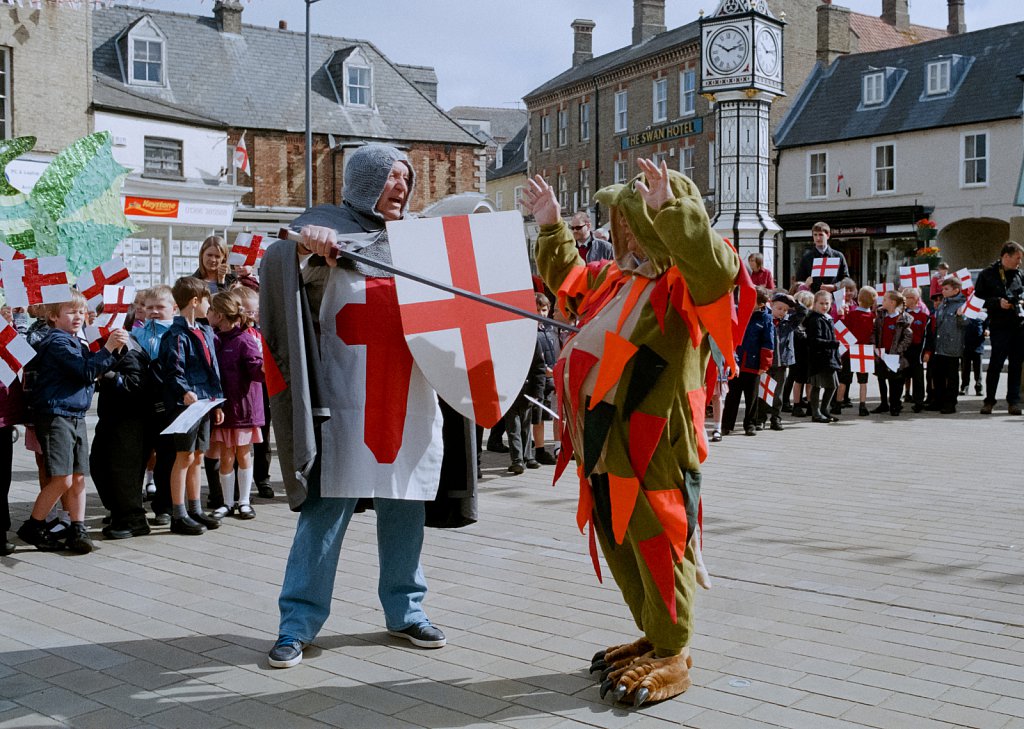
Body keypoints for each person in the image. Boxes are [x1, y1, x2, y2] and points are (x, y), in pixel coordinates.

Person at [525, 158, 742, 705]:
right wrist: (551, 226)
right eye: (621, 221)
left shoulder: (685, 283)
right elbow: (569, 282)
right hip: (603, 442)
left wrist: (673, 210)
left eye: (632, 219)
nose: (621, 231)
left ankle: (673, 650)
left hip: (657, 445)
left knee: (660, 540)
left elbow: (716, 268)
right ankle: (654, 631)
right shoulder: (615, 279)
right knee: (620, 539)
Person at [261, 143, 459, 669]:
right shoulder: (323, 230)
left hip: (408, 397)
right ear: (365, 182)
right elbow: (283, 277)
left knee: (405, 504)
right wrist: (307, 252)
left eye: (405, 177)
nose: (401, 186)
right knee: (325, 511)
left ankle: (406, 610)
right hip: (341, 400)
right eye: (390, 176)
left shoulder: (420, 242)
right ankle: (297, 622)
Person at [16, 290, 128, 553]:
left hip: (73, 414)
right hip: (57, 415)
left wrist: (115, 351)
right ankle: (34, 526)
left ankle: (78, 527)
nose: (78, 316)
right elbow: (85, 371)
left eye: (81, 311)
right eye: (71, 312)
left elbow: (93, 369)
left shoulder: (75, 341)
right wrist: (108, 348)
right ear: (54, 317)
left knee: (78, 477)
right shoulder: (57, 342)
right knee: (62, 478)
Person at [157, 277, 224, 536]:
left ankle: (195, 509)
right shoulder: (175, 335)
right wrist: (183, 391)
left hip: (204, 401)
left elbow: (213, 368)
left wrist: (217, 401)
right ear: (195, 302)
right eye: (207, 301)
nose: (209, 306)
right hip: (186, 404)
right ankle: (179, 513)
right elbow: (173, 370)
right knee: (183, 456)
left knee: (197, 456)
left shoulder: (204, 331)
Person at [91, 304, 153, 540]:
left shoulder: (130, 349)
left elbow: (135, 385)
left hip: (130, 421)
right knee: (99, 465)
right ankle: (119, 511)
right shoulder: (113, 347)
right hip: (112, 418)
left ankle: (134, 519)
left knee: (124, 471)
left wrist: (106, 376)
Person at [206, 290, 264, 519]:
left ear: (219, 315)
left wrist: (265, 367)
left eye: (210, 310)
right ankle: (227, 503)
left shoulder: (244, 339)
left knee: (243, 454)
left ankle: (244, 501)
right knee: (226, 456)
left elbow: (256, 370)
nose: (207, 313)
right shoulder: (214, 339)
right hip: (223, 409)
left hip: (243, 410)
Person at [973, 241, 1024, 415]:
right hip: (999, 326)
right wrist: (997, 302)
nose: (1019, 262)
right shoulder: (987, 274)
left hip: (1018, 326)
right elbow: (978, 300)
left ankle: (1013, 402)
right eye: (1017, 258)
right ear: (1006, 256)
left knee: (1016, 365)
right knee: (996, 364)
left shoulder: (1020, 275)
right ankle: (989, 401)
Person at [722, 286, 774, 436]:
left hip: (754, 364)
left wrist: (765, 364)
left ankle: (750, 424)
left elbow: (768, 343)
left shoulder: (766, 318)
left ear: (761, 304)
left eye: (751, 299)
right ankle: (726, 425)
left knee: (751, 397)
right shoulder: (737, 312)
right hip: (736, 362)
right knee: (732, 396)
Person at [764, 292, 806, 431]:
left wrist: (795, 302)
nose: (782, 312)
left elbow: (803, 313)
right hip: (766, 362)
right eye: (779, 308)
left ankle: (776, 418)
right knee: (763, 392)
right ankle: (760, 418)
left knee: (778, 394)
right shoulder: (765, 319)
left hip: (781, 363)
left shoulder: (789, 322)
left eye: (785, 310)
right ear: (771, 305)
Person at [926, 277, 967, 413]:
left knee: (951, 377)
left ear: (956, 290)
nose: (943, 291)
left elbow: (967, 323)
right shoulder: (943, 303)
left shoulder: (962, 305)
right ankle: (938, 401)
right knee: (937, 375)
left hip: (952, 347)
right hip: (939, 346)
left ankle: (950, 403)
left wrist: (961, 316)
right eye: (943, 288)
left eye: (946, 289)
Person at [838, 286, 878, 417]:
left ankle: (838, 404)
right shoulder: (872, 317)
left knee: (844, 379)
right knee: (863, 381)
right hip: (865, 350)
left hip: (850, 349)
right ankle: (862, 405)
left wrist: (841, 315)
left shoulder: (852, 314)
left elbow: (843, 328)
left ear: (859, 299)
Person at [872, 290, 913, 417]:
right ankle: (884, 403)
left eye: (885, 299)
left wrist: (898, 350)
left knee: (895, 381)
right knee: (881, 378)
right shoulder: (880, 316)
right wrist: (874, 345)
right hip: (881, 354)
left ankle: (895, 405)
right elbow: (875, 331)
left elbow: (908, 337)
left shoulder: (903, 319)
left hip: (895, 356)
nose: (882, 301)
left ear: (892, 302)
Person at [804, 290, 841, 423]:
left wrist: (837, 356)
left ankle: (824, 409)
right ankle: (816, 413)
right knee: (817, 385)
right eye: (821, 303)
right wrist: (833, 344)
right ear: (815, 304)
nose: (824, 306)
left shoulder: (828, 318)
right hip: (818, 358)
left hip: (830, 358)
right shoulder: (814, 319)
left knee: (833, 385)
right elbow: (814, 341)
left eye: (827, 303)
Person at [533, 293, 560, 466]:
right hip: (538, 378)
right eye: (537, 310)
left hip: (551, 377)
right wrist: (544, 370)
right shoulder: (530, 330)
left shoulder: (549, 328)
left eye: (543, 310)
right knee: (538, 417)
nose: (541, 314)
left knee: (547, 414)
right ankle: (539, 450)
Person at [795, 222, 849, 293]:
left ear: (828, 235)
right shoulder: (806, 258)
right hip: (813, 297)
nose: (818, 238)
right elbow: (799, 281)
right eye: (815, 235)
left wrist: (835, 287)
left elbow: (846, 279)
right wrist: (805, 284)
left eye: (821, 235)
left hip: (834, 297)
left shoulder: (838, 256)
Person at [902, 288, 930, 413]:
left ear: (915, 299)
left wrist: (927, 352)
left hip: (918, 350)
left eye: (908, 297)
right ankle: (897, 401)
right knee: (901, 376)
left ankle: (919, 402)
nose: (906, 300)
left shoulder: (924, 316)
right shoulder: (901, 315)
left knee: (918, 377)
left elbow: (928, 336)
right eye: (905, 297)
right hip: (903, 349)